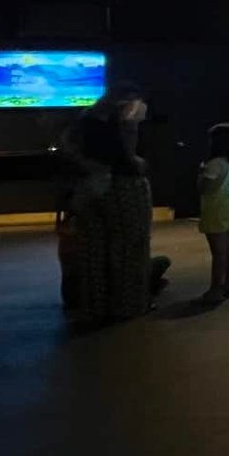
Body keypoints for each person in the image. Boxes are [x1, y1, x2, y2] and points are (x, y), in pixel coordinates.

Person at [61, 82, 167, 324]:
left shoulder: (86, 119)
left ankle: (95, 306)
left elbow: (67, 147)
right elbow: (127, 153)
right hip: (125, 188)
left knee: (93, 250)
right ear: (131, 101)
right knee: (130, 248)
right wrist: (134, 158)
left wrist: (92, 168)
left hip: (91, 188)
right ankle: (128, 305)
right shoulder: (127, 115)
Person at [197, 123, 229, 304]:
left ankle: (215, 289)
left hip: (215, 206)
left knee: (218, 251)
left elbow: (206, 188)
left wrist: (201, 173)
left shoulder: (215, 164)